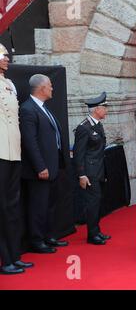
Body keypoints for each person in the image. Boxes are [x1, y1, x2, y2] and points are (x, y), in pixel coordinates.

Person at [20, 74, 68, 253]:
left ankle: (49, 236)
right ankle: (37, 240)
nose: (52, 88)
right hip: (39, 169)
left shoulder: (44, 108)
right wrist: (40, 166)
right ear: (41, 88)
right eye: (50, 85)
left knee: (50, 205)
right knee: (38, 206)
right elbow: (29, 142)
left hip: (53, 167)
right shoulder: (28, 109)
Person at [0, 44, 34, 274]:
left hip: (13, 151)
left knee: (12, 206)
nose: (7, 59)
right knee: (2, 207)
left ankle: (14, 254)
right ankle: (6, 259)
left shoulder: (9, 84)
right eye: (2, 56)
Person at [73, 92, 111, 245]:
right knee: (92, 202)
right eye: (105, 107)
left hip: (99, 170)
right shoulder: (84, 128)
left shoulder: (97, 124)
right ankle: (92, 235)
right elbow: (78, 153)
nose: (107, 110)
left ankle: (96, 230)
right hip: (90, 172)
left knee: (97, 201)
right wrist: (81, 174)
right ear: (97, 109)